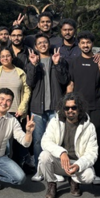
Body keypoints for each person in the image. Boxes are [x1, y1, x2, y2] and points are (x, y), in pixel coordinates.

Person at [39, 93, 98, 198]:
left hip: (76, 162)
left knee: (89, 176)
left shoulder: (89, 127)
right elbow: (45, 141)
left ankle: (74, 181)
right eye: (67, 108)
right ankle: (51, 184)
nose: (70, 110)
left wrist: (78, 165)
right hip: (60, 161)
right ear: (63, 109)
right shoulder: (55, 122)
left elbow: (92, 153)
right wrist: (61, 152)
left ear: (79, 108)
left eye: (74, 107)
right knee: (44, 156)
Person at [26, 34, 70, 180]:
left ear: (49, 44)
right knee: (38, 140)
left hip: (55, 106)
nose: (43, 44)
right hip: (37, 107)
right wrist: (33, 65)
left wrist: (57, 64)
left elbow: (64, 80)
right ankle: (40, 169)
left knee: (55, 139)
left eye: (45, 42)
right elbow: (30, 83)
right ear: (35, 46)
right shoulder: (32, 61)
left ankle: (55, 169)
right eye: (40, 43)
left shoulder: (58, 59)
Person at [67, 31, 100, 184]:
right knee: (76, 139)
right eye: (82, 43)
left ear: (92, 44)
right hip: (78, 108)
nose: (85, 45)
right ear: (79, 45)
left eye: (88, 43)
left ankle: (95, 171)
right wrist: (67, 104)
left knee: (95, 139)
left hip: (96, 106)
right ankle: (74, 169)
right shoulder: (74, 62)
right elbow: (71, 84)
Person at [0, 46, 32, 166]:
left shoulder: (20, 73)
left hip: (16, 112)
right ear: (0, 59)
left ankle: (17, 166)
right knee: (2, 143)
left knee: (17, 143)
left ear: (12, 57)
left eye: (8, 56)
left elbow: (27, 91)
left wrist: (22, 108)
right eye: (3, 56)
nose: (5, 58)